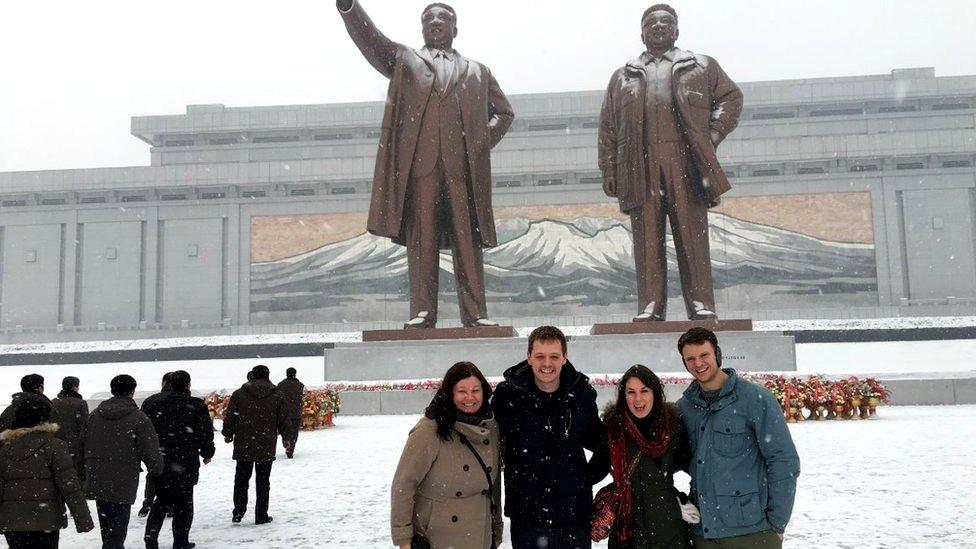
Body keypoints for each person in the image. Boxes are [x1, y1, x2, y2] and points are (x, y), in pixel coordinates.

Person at [336, 0, 514, 328]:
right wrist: (349, 8)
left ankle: (475, 314)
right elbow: (371, 41)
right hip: (422, 171)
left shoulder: (478, 71)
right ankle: (423, 312)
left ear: (455, 28)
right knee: (422, 240)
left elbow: (504, 113)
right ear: (422, 28)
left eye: (443, 18)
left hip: (463, 173)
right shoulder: (406, 61)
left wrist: (478, 144)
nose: (435, 23)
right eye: (429, 19)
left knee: (468, 240)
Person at [598, 4, 743, 321]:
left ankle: (701, 303)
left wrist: (714, 135)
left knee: (692, 234)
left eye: (667, 22)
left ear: (677, 30)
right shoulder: (623, 77)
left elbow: (731, 98)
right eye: (652, 22)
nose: (660, 26)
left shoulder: (701, 66)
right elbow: (608, 127)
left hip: (687, 161)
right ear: (642, 33)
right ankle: (651, 304)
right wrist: (610, 170)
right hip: (640, 164)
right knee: (647, 239)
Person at [675, 328, 800, 548]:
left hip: (752, 533)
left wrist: (778, 523)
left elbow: (783, 461)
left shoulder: (755, 400)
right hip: (704, 534)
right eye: (691, 359)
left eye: (704, 355)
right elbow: (669, 461)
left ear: (717, 355)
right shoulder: (685, 408)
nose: (698, 363)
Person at [491, 326, 605, 549]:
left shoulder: (580, 394)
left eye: (554, 356)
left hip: (573, 515)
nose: (547, 364)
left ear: (564, 357)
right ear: (528, 357)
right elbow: (486, 437)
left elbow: (602, 442)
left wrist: (585, 479)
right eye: (540, 356)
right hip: (527, 516)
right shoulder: (508, 395)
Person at [391, 361, 502, 549]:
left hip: (480, 535)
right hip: (437, 537)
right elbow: (404, 484)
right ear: (449, 393)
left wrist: (496, 527)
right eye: (461, 391)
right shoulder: (429, 431)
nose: (469, 397)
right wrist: (404, 539)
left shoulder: (490, 428)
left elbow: (494, 485)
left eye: (476, 390)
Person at [591, 365, 697, 548]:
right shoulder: (613, 430)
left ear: (655, 393)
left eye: (644, 391)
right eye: (631, 392)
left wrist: (681, 500)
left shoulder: (672, 429)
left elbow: (696, 469)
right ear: (624, 396)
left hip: (668, 534)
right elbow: (592, 472)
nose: (638, 399)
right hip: (626, 536)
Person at [0, 398, 95, 548]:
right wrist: (82, 518)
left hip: (13, 521)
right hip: (46, 520)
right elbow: (70, 486)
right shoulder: (55, 446)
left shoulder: (6, 449)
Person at [84, 374, 164, 549]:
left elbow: (83, 442)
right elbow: (148, 448)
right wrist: (156, 469)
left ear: (112, 390)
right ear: (132, 391)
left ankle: (111, 545)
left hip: (97, 473)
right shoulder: (138, 417)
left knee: (106, 520)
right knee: (119, 521)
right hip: (124, 475)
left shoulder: (95, 415)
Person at [142, 370, 215, 549]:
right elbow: (205, 432)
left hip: (160, 458)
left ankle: (151, 536)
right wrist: (207, 453)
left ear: (168, 383)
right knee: (184, 501)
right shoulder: (195, 404)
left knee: (161, 498)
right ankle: (180, 541)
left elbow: (143, 432)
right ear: (188, 385)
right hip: (186, 459)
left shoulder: (151, 402)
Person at [222, 364, 289, 524]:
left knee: (241, 479)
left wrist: (228, 433)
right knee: (263, 480)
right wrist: (286, 438)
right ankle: (261, 515)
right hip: (266, 443)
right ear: (267, 375)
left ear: (252, 375)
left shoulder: (239, 394)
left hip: (244, 442)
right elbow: (283, 419)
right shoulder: (277, 395)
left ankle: (238, 511)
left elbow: (231, 416)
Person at [138, 372, 175, 517]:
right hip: (176, 445)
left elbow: (141, 424)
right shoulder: (182, 401)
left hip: (154, 444)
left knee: (154, 474)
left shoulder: (150, 401)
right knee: (173, 475)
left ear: (163, 383)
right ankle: (170, 506)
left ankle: (147, 502)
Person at [50, 376, 89, 482]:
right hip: (75, 447)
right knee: (75, 478)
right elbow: (84, 426)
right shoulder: (80, 403)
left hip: (56, 445)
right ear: (75, 387)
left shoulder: (53, 402)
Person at [277, 367, 305, 459]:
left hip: (283, 413)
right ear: (295, 374)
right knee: (294, 432)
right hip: (295, 413)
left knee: (285, 430)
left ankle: (287, 442)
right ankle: (291, 448)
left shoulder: (280, 385)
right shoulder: (300, 385)